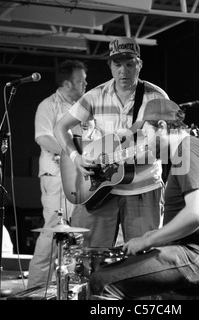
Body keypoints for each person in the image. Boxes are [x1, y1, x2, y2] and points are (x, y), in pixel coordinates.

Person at [88, 98, 199, 299]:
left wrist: (148, 240)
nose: (145, 143)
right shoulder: (183, 154)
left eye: (146, 134)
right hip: (197, 253)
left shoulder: (189, 149)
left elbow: (198, 213)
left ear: (161, 126)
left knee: (102, 282)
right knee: (118, 274)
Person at [54, 36, 169, 249]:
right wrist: (75, 157)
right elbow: (60, 127)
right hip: (99, 188)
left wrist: (161, 147)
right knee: (89, 257)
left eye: (129, 64)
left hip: (143, 189)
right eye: (117, 64)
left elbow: (163, 147)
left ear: (139, 65)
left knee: (143, 260)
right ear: (110, 66)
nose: (123, 70)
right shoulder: (95, 95)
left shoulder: (156, 97)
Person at [28, 59, 90, 289]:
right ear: (67, 83)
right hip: (55, 177)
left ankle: (74, 288)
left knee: (82, 232)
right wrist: (73, 154)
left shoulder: (84, 108)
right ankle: (35, 290)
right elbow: (43, 137)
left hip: (82, 179)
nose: (85, 84)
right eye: (80, 81)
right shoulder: (48, 105)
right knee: (52, 233)